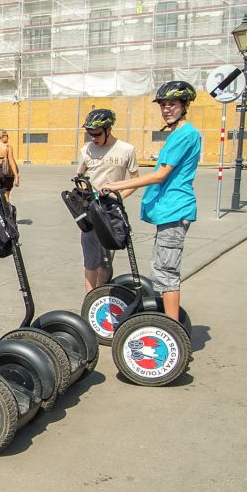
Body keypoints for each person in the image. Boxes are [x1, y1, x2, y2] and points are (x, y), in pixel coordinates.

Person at [103, 81, 200, 322]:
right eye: (164, 105)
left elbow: (160, 175)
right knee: (161, 269)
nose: (167, 109)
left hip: (175, 208)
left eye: (173, 104)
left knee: (166, 272)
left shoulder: (184, 135)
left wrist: (115, 185)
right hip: (170, 210)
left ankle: (171, 328)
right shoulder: (180, 134)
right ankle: (170, 322)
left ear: (185, 105)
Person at [76, 108, 139, 291]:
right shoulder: (86, 150)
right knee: (90, 257)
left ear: (109, 129)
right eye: (90, 134)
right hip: (91, 209)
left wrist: (119, 198)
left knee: (106, 257)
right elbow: (79, 178)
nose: (93, 138)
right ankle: (90, 297)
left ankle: (101, 290)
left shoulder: (126, 150)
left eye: (97, 133)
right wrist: (85, 195)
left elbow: (135, 180)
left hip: (112, 209)